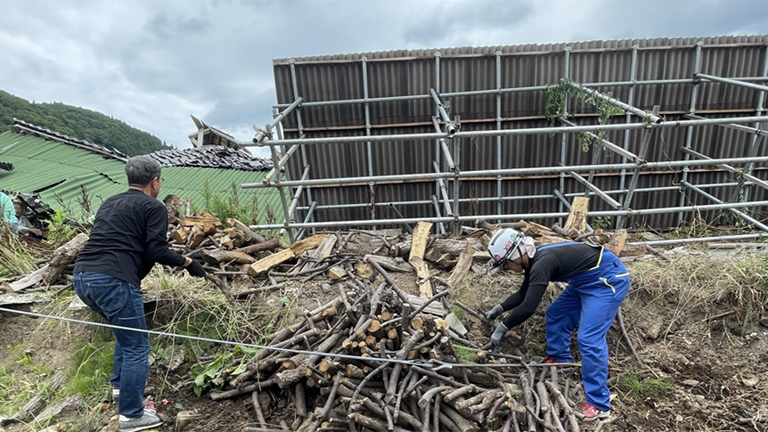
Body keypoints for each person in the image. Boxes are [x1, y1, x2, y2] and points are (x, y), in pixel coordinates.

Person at [73, 156, 207, 432]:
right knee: (138, 346)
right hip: (113, 280)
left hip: (82, 277)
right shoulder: (152, 207)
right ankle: (132, 416)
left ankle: (121, 390)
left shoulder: (110, 203)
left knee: (126, 332)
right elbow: (155, 251)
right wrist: (189, 263)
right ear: (155, 181)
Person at [484, 228, 630, 421]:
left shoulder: (543, 262)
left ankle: (599, 404)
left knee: (589, 339)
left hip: (607, 280)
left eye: (506, 264)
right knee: (556, 313)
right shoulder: (534, 261)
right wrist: (499, 309)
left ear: (516, 254)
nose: (507, 268)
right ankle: (560, 357)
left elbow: (528, 307)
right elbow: (523, 294)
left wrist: (503, 327)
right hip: (585, 282)